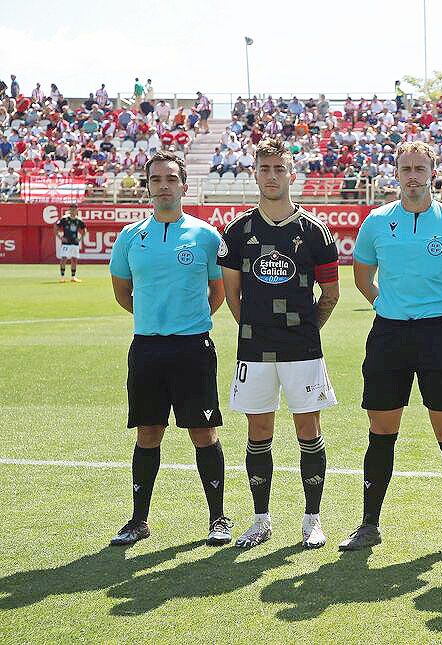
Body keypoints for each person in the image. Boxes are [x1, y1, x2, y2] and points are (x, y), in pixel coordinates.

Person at [340, 141, 442, 554]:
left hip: (437, 336)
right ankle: (368, 525)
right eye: (405, 168)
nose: (412, 176)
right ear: (396, 173)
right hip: (389, 335)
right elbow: (361, 277)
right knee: (381, 430)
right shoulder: (376, 222)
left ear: (433, 172)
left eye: (419, 168)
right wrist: (386, 307)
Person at [218, 138, 341, 550]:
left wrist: (307, 330)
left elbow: (331, 294)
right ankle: (260, 519)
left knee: (308, 429)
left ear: (292, 174)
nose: (272, 176)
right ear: (255, 174)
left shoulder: (315, 232)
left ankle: (312, 520)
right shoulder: (238, 232)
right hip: (254, 350)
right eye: (264, 169)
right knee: (259, 429)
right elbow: (232, 296)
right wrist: (255, 329)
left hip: (302, 350)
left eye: (279, 169)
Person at [108, 150, 231, 547]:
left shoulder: (206, 235)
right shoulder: (130, 237)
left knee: (203, 431)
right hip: (146, 348)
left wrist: (187, 322)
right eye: (156, 180)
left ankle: (218, 519)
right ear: (148, 187)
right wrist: (153, 320)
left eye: (171, 179)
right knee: (148, 433)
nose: (164, 186)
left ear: (184, 185)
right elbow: (123, 293)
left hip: (193, 347)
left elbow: (218, 292)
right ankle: (138, 521)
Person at [55, 203, 87, 282]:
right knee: (64, 258)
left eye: (75, 209)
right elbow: (56, 227)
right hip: (66, 243)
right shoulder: (65, 219)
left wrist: (80, 238)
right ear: (69, 210)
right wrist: (60, 237)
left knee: (74, 259)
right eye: (72, 209)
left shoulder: (78, 220)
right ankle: (62, 277)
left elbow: (84, 230)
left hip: (74, 243)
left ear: (77, 210)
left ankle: (73, 277)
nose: (73, 211)